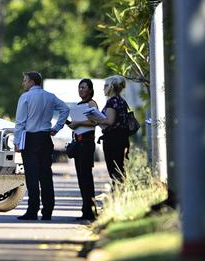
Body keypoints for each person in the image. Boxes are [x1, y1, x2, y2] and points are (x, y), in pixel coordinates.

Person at [13, 72, 69, 221]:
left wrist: (16, 141)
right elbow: (65, 109)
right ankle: (48, 210)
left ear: (31, 81)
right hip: (45, 138)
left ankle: (33, 210)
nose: (23, 83)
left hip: (30, 139)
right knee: (45, 175)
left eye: (24, 80)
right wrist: (57, 127)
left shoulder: (25, 97)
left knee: (32, 176)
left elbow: (20, 122)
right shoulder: (50, 96)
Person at [88, 75, 130, 184]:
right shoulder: (122, 101)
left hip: (112, 139)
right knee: (120, 167)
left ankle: (118, 192)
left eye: (105, 86)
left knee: (114, 170)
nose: (103, 88)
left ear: (111, 87)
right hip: (122, 138)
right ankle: (120, 192)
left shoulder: (112, 102)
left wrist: (95, 119)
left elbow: (110, 121)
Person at [67, 79, 98, 221]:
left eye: (84, 88)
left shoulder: (92, 104)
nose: (81, 90)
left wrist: (79, 122)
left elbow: (95, 122)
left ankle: (91, 210)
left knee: (86, 177)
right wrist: (72, 124)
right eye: (79, 88)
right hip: (79, 144)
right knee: (81, 178)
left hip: (87, 144)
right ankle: (85, 209)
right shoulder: (78, 105)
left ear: (90, 90)